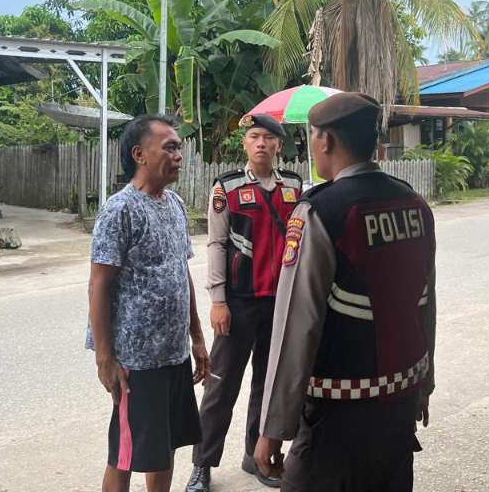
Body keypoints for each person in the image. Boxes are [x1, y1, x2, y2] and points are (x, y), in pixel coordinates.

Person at [253, 92, 437, 492]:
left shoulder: (321, 211)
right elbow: (426, 305)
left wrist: (273, 427)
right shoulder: (414, 204)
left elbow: (296, 326)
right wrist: (424, 383)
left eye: (312, 136)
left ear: (327, 141)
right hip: (399, 404)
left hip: (336, 416)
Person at [87, 115, 210, 492]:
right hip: (136, 363)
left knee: (163, 447)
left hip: (173, 355)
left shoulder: (175, 204)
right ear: (139, 154)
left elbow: (180, 273)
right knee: (125, 455)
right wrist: (105, 358)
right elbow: (98, 286)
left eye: (179, 148)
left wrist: (196, 337)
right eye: (169, 147)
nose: (178, 155)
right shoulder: (119, 210)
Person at [186, 114, 302, 492]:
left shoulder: (295, 186)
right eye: (254, 136)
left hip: (280, 304)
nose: (261, 143)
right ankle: (202, 465)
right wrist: (218, 300)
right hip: (238, 303)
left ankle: (257, 455)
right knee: (220, 387)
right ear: (245, 143)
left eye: (268, 137)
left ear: (279, 145)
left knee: (268, 385)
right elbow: (216, 244)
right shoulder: (228, 187)